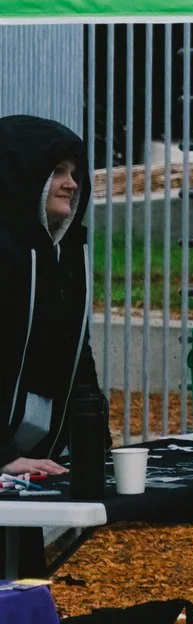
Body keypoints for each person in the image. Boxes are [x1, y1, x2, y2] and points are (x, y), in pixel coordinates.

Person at [0, 116, 97, 480]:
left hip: (30, 455)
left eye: (75, 173)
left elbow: (75, 352)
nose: (71, 184)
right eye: (58, 170)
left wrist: (93, 438)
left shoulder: (59, 255)